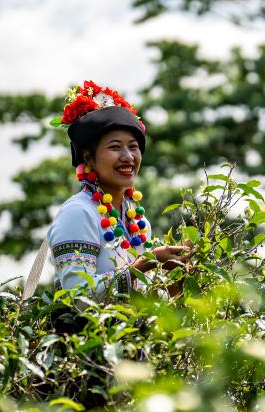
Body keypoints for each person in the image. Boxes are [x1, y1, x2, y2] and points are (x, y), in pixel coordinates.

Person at [21, 81, 188, 300]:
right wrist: (146, 262)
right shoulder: (78, 213)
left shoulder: (138, 223)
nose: (128, 156)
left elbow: (144, 303)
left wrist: (179, 281)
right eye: (115, 147)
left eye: (133, 146)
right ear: (89, 157)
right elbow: (77, 297)